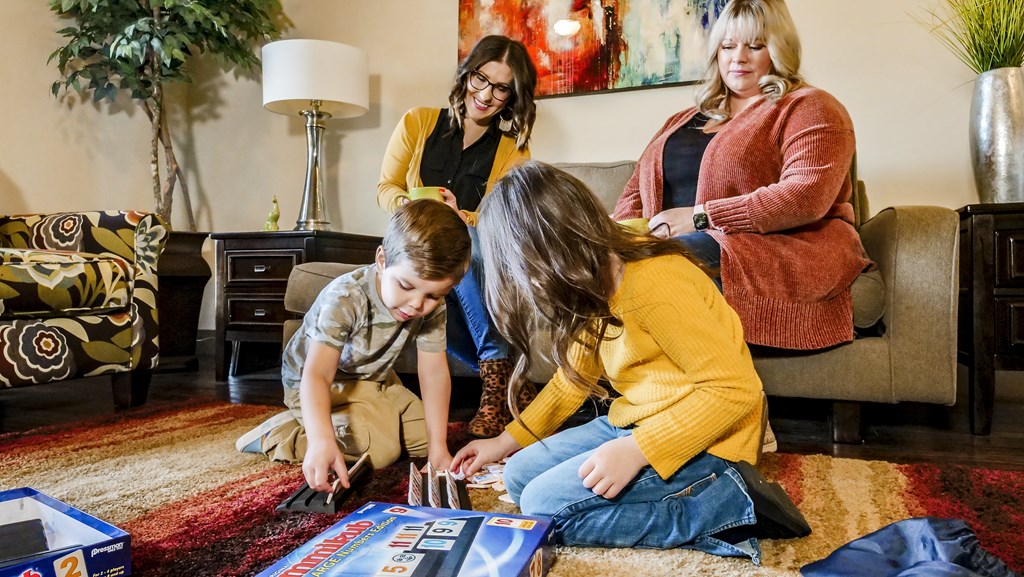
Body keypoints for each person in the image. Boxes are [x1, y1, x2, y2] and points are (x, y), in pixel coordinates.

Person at [451, 161, 809, 563]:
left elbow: (735, 390)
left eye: (525, 272)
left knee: (541, 506)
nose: (528, 285)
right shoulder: (589, 280)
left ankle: (724, 508)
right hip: (637, 420)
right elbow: (572, 382)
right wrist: (503, 442)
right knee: (517, 478)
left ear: (552, 248)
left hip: (710, 437)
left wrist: (639, 450)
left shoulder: (655, 281)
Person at [612, 0, 871, 351]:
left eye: (755, 45)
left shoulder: (809, 106)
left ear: (779, 50)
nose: (739, 57)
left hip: (763, 252)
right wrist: (615, 239)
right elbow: (634, 196)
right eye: (728, 46)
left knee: (662, 267)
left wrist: (702, 217)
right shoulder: (682, 120)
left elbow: (806, 195)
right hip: (664, 245)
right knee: (588, 266)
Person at [235, 200, 471, 493]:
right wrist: (322, 441)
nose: (417, 305)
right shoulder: (346, 297)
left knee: (428, 437)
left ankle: (370, 413)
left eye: (433, 295)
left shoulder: (431, 305)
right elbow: (318, 374)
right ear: (382, 260)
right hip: (316, 382)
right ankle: (282, 433)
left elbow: (434, 372)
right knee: (381, 451)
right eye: (406, 286)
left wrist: (438, 448)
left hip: (374, 380)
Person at [377, 34, 539, 438]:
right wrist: (410, 206)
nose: (485, 95)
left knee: (466, 241)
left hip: (472, 258)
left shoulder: (513, 151)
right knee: (448, 257)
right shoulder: (418, 122)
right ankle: (508, 384)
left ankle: (495, 388)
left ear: (513, 96)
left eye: (501, 88)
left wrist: (460, 216)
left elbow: (502, 220)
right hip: (413, 246)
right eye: (480, 79)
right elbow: (386, 187)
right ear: (466, 75)